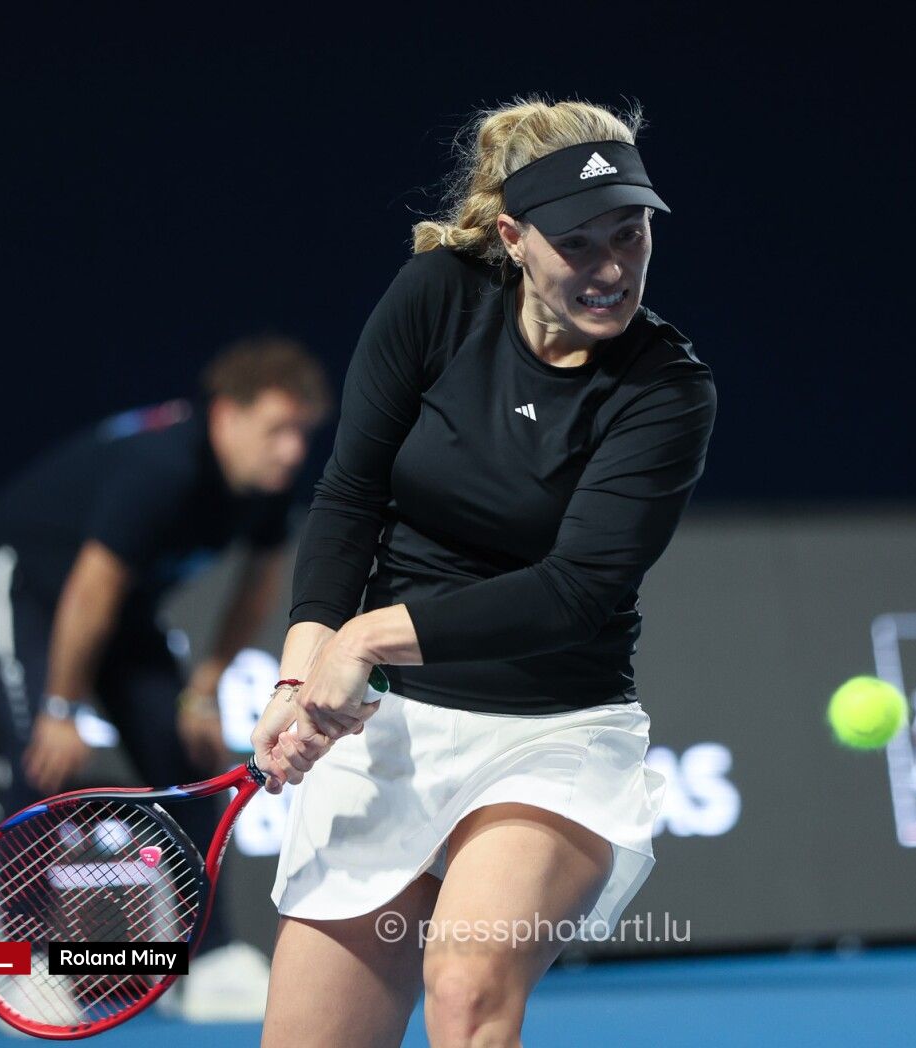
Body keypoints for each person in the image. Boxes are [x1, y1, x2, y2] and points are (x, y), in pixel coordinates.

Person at [251, 97, 716, 1047]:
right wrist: (298, 679)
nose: (612, 269)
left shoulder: (667, 389)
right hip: (391, 727)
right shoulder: (437, 295)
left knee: (465, 988)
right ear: (513, 239)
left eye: (630, 235)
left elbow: (576, 591)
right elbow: (350, 495)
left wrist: (366, 638)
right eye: (577, 244)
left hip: (550, 734)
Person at [0, 335, 331, 1020]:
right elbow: (90, 589)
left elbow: (257, 590)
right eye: (277, 429)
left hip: (123, 608)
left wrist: (203, 691)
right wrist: (60, 708)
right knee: (39, 763)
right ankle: (18, 967)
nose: (291, 451)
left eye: (301, 433)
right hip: (35, 586)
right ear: (226, 415)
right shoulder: (161, 470)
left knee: (185, 763)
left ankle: (205, 959)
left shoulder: (266, 489)